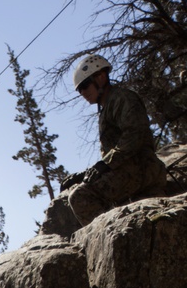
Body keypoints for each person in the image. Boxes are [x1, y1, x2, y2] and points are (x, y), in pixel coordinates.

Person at [42, 54, 167, 235]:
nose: (83, 93)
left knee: (80, 197)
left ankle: (110, 239)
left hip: (142, 167)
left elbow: (134, 136)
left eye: (85, 85)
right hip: (132, 168)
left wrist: (104, 164)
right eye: (79, 90)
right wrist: (86, 173)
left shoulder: (122, 98)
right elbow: (115, 153)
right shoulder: (108, 105)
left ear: (101, 77)